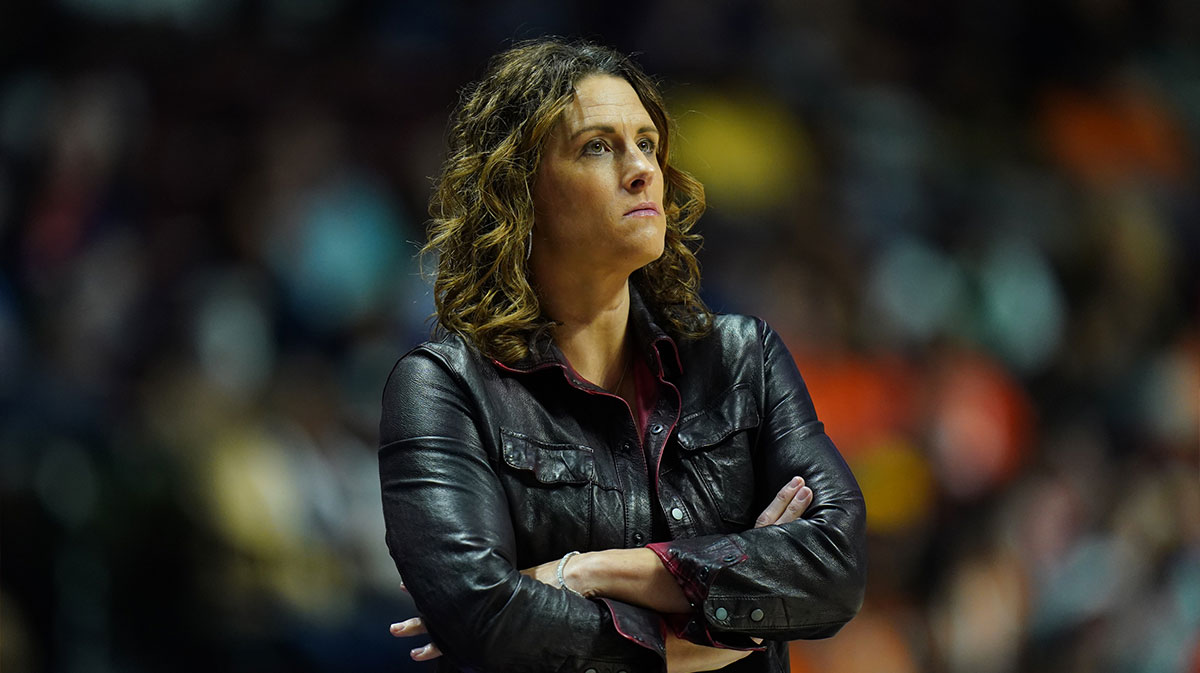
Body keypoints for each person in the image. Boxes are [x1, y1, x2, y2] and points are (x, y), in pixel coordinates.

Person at [379, 37, 866, 672]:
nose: (641, 169)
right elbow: (484, 617)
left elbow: (836, 566)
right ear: (519, 191)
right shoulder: (444, 388)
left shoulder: (745, 358)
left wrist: (583, 573)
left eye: (646, 144)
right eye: (598, 147)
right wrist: (722, 622)